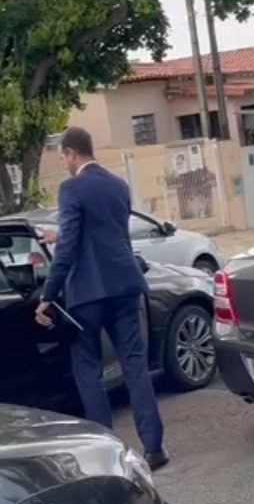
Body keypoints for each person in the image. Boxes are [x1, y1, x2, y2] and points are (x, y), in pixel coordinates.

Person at [35, 127, 169, 470]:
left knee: (89, 372)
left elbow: (69, 247)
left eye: (63, 157)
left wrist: (48, 294)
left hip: (87, 294)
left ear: (71, 153)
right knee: (135, 366)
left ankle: (106, 454)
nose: (64, 163)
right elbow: (107, 232)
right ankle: (154, 448)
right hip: (125, 285)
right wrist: (59, 234)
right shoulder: (118, 185)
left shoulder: (71, 188)